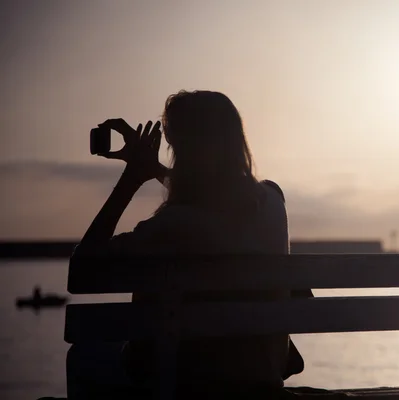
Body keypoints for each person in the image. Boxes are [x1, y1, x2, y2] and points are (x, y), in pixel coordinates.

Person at [68, 90, 307, 397]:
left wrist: (132, 177)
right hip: (263, 377)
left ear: (183, 149)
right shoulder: (273, 201)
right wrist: (154, 169)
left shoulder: (173, 226)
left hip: (186, 381)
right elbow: (215, 205)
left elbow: (85, 266)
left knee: (87, 355)